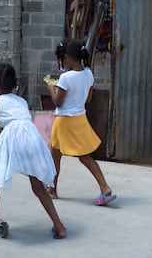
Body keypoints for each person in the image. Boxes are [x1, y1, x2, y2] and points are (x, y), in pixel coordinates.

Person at [0, 62, 67, 239]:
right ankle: (59, 226)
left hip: (13, 136)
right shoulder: (21, 101)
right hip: (31, 136)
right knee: (37, 186)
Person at [45, 38, 117, 206]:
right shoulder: (89, 74)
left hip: (64, 121)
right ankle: (102, 186)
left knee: (56, 155)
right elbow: (88, 98)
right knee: (83, 156)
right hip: (79, 119)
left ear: (68, 58)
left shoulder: (65, 78)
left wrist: (51, 88)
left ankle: (54, 188)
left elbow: (58, 102)